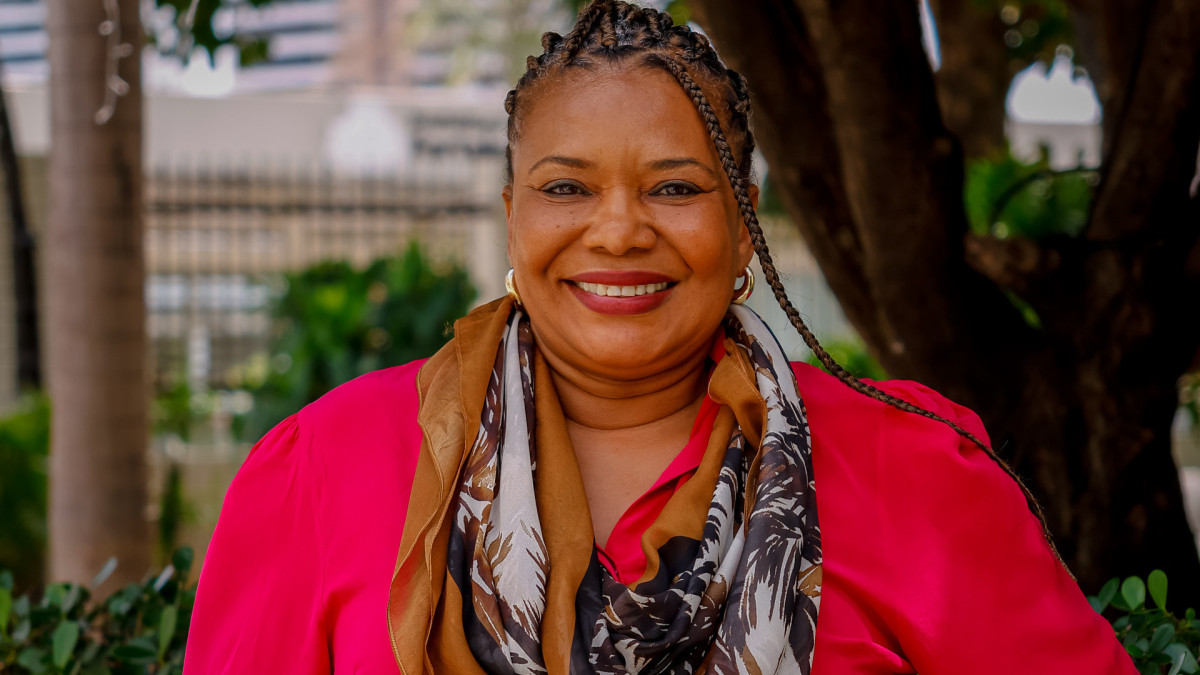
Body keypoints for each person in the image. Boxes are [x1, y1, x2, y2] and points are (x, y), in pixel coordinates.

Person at [184, 2, 1137, 673]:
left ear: (743, 225)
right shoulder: (326, 465)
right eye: (567, 188)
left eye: (675, 187)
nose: (619, 228)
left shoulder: (915, 472)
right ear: (514, 217)